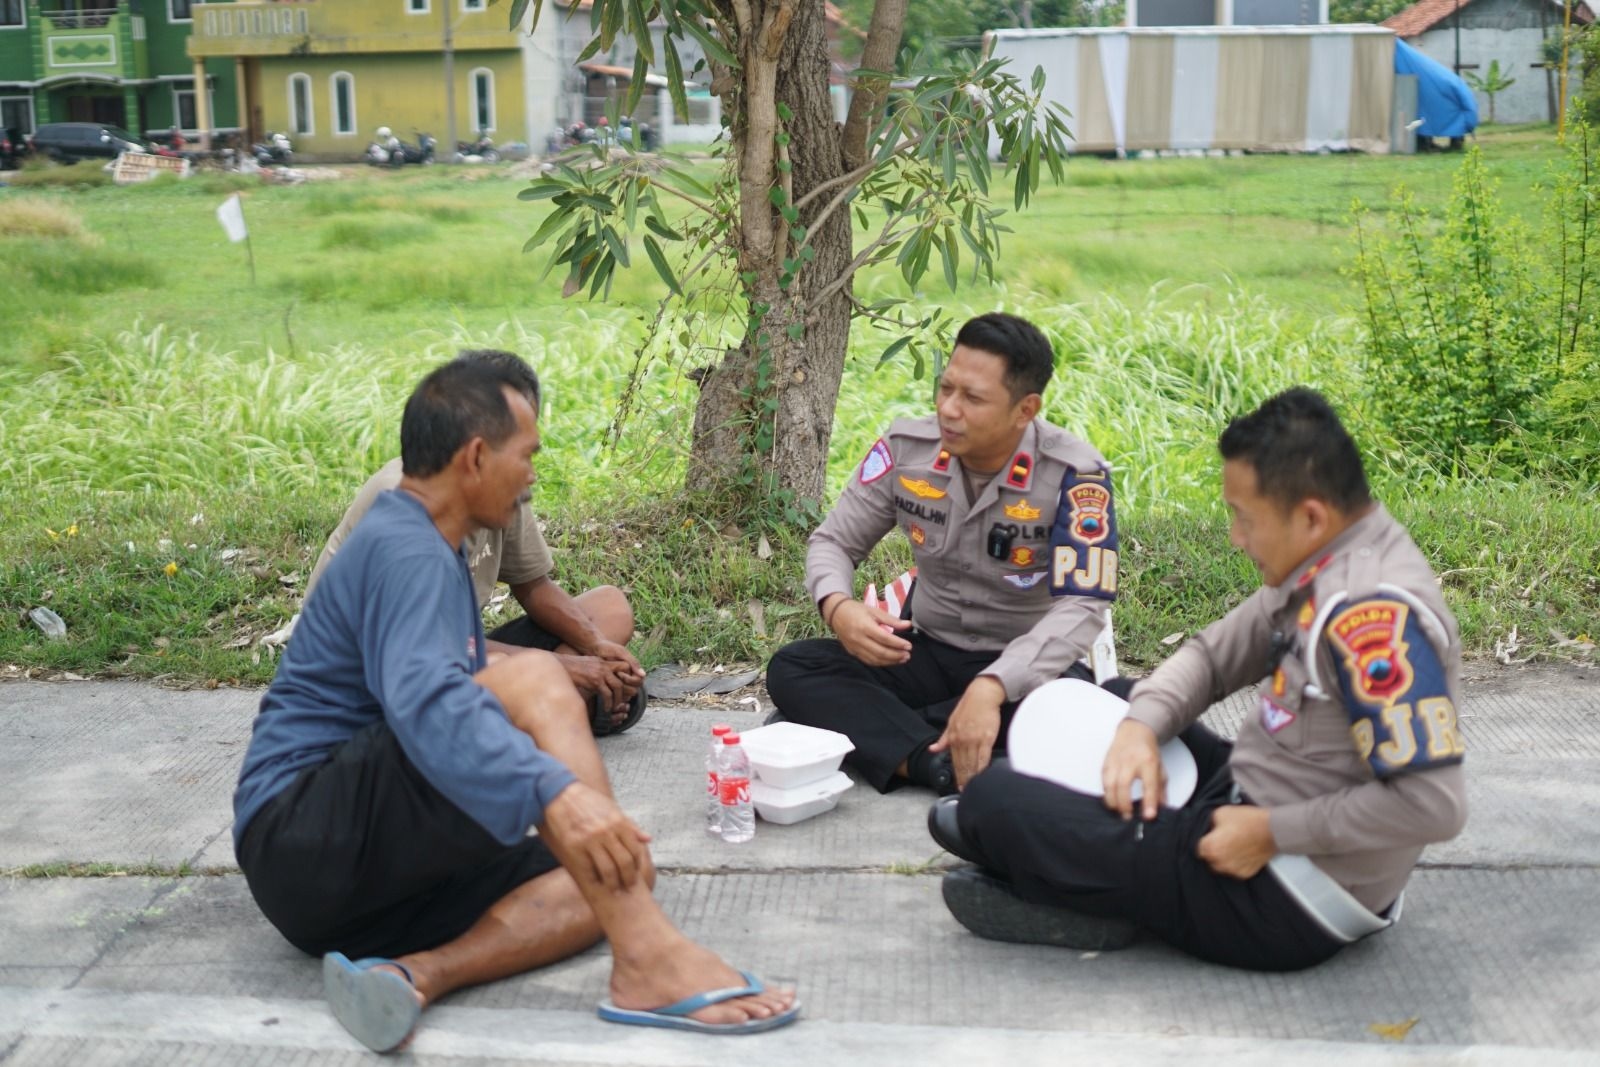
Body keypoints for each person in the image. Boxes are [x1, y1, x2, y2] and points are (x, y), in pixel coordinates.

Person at [233, 358, 800, 1051]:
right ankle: (650, 956)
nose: (532, 473)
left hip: (349, 899)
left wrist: (574, 813)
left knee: (615, 874)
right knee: (536, 680)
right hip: (300, 833)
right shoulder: (402, 546)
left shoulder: (435, 546)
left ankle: (414, 975)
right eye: (525, 455)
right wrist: (556, 791)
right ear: (475, 457)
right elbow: (427, 703)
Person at [934, 387, 1468, 971]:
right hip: (1254, 796)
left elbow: (1432, 805)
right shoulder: (1340, 545)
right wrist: (1140, 729)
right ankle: (1098, 863)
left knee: (991, 801)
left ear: (1310, 516)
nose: (1236, 538)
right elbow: (1213, 657)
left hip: (1281, 893)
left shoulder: (1372, 622)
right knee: (1121, 700)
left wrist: (1268, 832)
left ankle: (1094, 886)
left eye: (1245, 518)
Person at [765, 312, 1123, 796]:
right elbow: (834, 542)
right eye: (946, 387)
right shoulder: (907, 448)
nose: (949, 409)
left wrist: (993, 686)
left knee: (1076, 714)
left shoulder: (1074, 475)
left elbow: (1084, 605)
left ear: (1025, 409)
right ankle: (938, 763)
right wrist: (839, 608)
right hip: (925, 651)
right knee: (796, 668)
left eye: (972, 398)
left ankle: (891, 737)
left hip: (1025, 670)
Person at [304, 349, 646, 736]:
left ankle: (544, 712)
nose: (529, 463)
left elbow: (533, 586)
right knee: (502, 674)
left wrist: (597, 648)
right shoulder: (406, 504)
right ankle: (548, 713)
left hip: (454, 649)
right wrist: (567, 669)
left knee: (609, 608)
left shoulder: (502, 484)